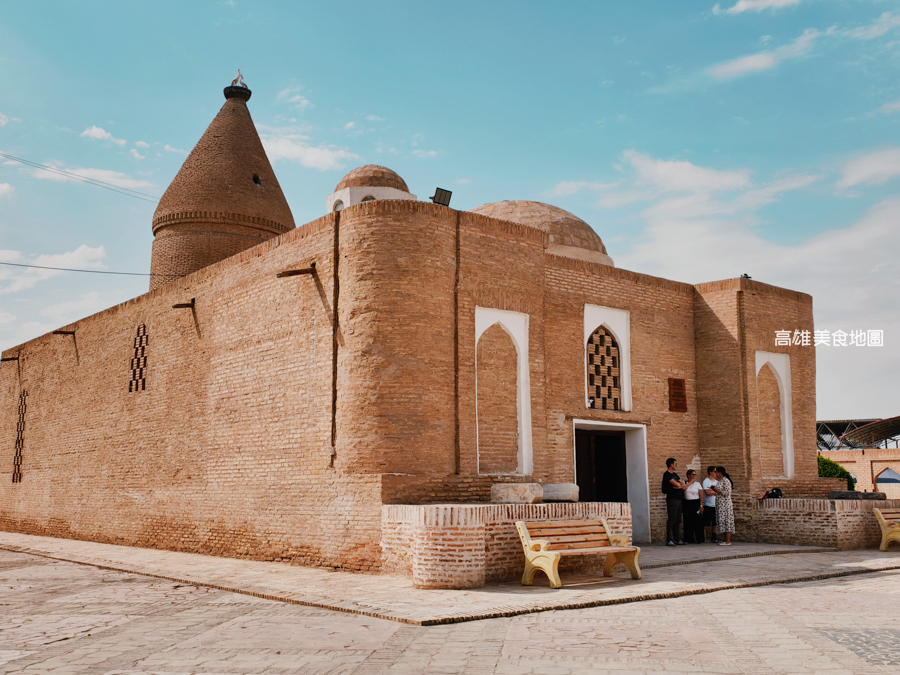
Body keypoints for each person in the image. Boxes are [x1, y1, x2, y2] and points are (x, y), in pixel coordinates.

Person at [662, 458, 688, 546]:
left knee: (678, 519)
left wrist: (680, 486)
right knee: (672, 519)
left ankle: (677, 539)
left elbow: (684, 486)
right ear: (671, 465)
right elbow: (677, 484)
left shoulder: (675, 475)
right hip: (672, 499)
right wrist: (679, 485)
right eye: (675, 464)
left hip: (679, 498)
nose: (676, 466)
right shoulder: (667, 475)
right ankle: (669, 539)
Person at [711, 466, 734, 545]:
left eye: (716, 472)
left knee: (727, 522)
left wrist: (717, 490)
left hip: (725, 504)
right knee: (723, 522)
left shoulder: (726, 481)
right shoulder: (720, 481)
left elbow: (727, 493)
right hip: (720, 504)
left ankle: (728, 541)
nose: (715, 474)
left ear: (720, 472)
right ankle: (725, 540)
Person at [682, 469, 704, 543]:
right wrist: (690, 482)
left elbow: (701, 495)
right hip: (687, 503)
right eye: (692, 474)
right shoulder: (684, 483)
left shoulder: (697, 484)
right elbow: (683, 488)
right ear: (688, 475)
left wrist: (701, 505)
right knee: (688, 521)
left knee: (697, 521)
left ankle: (699, 538)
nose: (694, 476)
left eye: (695, 475)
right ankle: (689, 538)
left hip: (696, 502)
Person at [702, 466, 718, 543]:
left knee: (715, 522)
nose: (716, 473)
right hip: (708, 504)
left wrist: (712, 490)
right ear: (710, 472)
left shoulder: (717, 482)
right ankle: (703, 536)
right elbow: (707, 493)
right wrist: (715, 492)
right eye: (715, 471)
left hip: (715, 504)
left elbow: (719, 492)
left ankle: (714, 536)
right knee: (706, 521)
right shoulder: (706, 481)